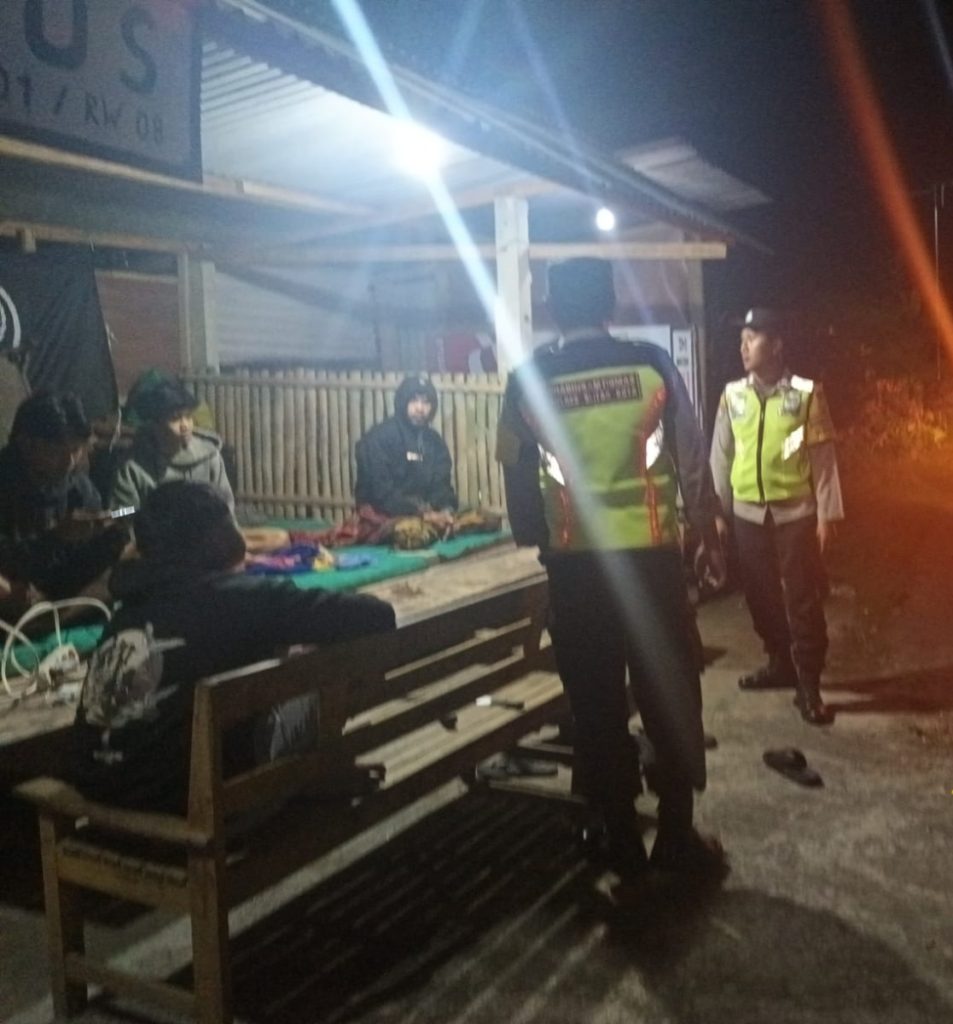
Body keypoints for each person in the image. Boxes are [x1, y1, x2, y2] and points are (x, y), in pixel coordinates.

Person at [496, 258, 727, 884]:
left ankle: (621, 838)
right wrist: (705, 532)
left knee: (596, 704)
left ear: (552, 311)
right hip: (652, 566)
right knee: (669, 696)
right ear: (612, 305)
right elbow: (689, 456)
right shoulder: (651, 366)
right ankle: (675, 836)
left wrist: (537, 536)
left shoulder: (525, 383)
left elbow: (516, 475)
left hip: (576, 571)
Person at [70, 481, 396, 813]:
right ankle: (315, 773)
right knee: (325, 662)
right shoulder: (246, 598)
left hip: (100, 795)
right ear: (219, 536)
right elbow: (376, 616)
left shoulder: (125, 613)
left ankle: (307, 776)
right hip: (186, 804)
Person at [710, 308, 844, 726]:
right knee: (759, 596)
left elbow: (823, 457)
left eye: (752, 338)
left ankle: (808, 682)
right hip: (747, 514)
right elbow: (721, 456)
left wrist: (827, 515)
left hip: (796, 513)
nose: (743, 347)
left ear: (778, 344)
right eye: (742, 339)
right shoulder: (732, 395)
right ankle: (779, 662)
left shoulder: (806, 393)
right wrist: (717, 512)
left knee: (803, 599)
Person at [0, 392, 128, 617]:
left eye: (76, 450)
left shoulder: (77, 486)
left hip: (57, 588)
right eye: (57, 451)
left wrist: (106, 526)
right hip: (15, 588)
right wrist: (56, 537)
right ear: (26, 444)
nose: (69, 462)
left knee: (122, 543)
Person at [110, 376, 234, 512]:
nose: (185, 425)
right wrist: (141, 514)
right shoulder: (133, 466)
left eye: (188, 417)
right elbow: (119, 512)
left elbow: (226, 504)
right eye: (175, 419)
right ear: (156, 424)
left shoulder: (210, 456)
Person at [354, 375, 457, 531]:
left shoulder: (435, 442)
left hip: (429, 518)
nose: (420, 408)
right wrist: (421, 513)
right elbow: (380, 492)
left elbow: (441, 486)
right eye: (414, 400)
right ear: (403, 401)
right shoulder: (379, 438)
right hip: (383, 519)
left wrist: (446, 510)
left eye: (426, 402)